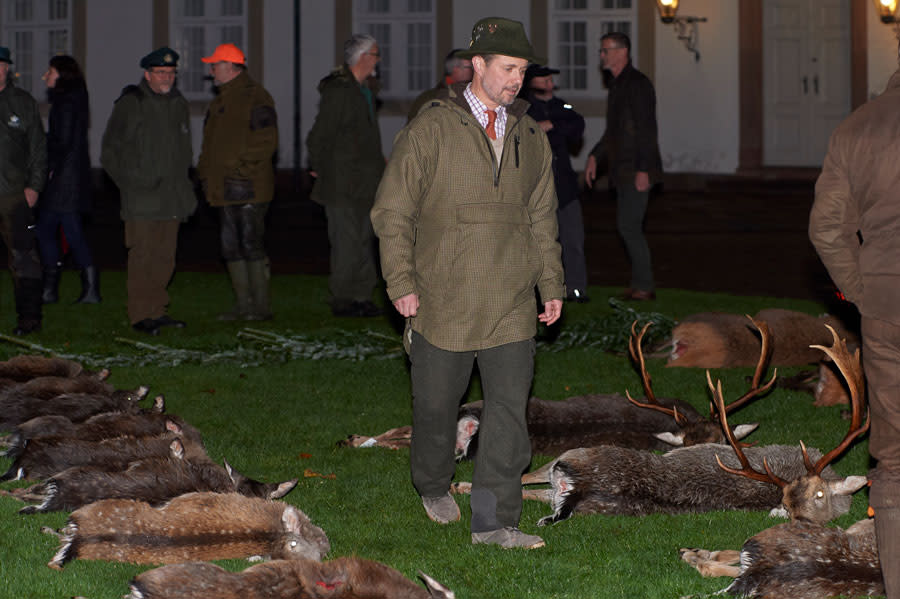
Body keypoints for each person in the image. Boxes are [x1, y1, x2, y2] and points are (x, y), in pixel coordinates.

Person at [371, 17, 564, 550]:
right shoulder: (431, 129)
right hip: (442, 296)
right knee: (436, 408)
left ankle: (493, 522)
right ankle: (433, 483)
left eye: (522, 70)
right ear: (476, 65)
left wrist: (550, 282)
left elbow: (542, 217)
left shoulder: (529, 135)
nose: (516, 80)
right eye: (507, 68)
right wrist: (401, 282)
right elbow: (392, 213)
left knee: (508, 414)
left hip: (509, 300)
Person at [809, 53, 900, 599]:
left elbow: (826, 228)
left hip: (888, 303)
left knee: (892, 457)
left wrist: (862, 292)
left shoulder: (859, 125)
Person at [100, 47, 196, 336]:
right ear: (147, 74)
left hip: (172, 196)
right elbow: (110, 151)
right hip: (141, 198)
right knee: (143, 256)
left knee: (165, 257)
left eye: (171, 72)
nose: (166, 77)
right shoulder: (132, 103)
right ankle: (140, 314)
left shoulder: (178, 103)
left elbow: (183, 150)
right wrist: (131, 182)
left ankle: (158, 310)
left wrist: (186, 187)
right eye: (160, 72)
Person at [196, 43, 278, 322]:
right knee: (231, 246)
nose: (211, 70)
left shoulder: (256, 97)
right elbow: (210, 145)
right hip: (224, 188)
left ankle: (261, 308)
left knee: (251, 244)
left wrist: (239, 169)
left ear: (230, 66)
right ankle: (244, 306)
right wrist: (205, 174)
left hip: (249, 188)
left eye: (215, 65)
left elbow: (266, 141)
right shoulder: (221, 100)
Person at [306, 33, 385, 318]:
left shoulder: (364, 90)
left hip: (365, 180)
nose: (378, 60)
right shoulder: (340, 91)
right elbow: (320, 133)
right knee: (346, 242)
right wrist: (319, 165)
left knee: (365, 240)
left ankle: (362, 295)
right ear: (363, 57)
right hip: (342, 181)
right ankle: (343, 298)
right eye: (375, 55)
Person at [584, 32, 663, 301]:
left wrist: (644, 170)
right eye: (602, 50)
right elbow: (614, 132)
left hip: (635, 169)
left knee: (629, 227)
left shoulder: (637, 85)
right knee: (627, 226)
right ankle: (640, 283)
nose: (602, 55)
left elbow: (646, 130)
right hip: (624, 169)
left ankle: (645, 286)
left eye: (605, 50)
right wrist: (596, 155)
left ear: (622, 52)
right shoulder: (618, 85)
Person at [521, 64, 588, 302]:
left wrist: (553, 126)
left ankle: (576, 289)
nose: (550, 83)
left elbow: (577, 127)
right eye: (544, 80)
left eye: (551, 80)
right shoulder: (523, 108)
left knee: (573, 240)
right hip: (536, 188)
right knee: (539, 242)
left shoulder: (560, 107)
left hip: (565, 187)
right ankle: (538, 293)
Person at [37, 55, 100, 305]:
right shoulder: (76, 99)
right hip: (70, 178)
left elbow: (60, 141)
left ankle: (84, 289)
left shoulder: (65, 102)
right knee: (51, 230)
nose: (46, 76)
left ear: (62, 74)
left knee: (62, 232)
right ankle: (54, 289)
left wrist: (48, 168)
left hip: (63, 180)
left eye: (50, 71)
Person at [0, 46, 47, 335]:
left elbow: (38, 148)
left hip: (14, 194)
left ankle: (29, 319)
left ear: (7, 68)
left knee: (24, 258)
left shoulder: (22, 102)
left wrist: (34, 187)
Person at [406, 48, 473, 122]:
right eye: (469, 67)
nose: (473, 70)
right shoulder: (428, 100)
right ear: (455, 69)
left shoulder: (472, 97)